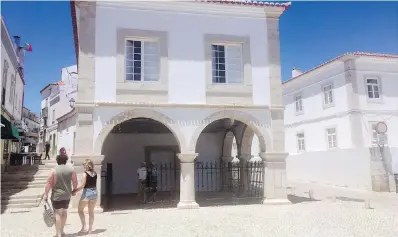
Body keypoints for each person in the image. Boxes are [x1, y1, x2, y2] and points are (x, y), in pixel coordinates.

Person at [43, 147, 77, 237]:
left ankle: (58, 234)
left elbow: (49, 183)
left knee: (58, 213)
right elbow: (75, 182)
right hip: (67, 195)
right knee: (64, 212)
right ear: (66, 160)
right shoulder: (71, 170)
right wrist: (74, 190)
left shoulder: (53, 170)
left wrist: (45, 194)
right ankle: (62, 231)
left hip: (57, 195)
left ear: (57, 160)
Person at [72, 159, 98, 235]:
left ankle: (84, 227)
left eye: (84, 165)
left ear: (86, 165)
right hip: (94, 192)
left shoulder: (85, 173)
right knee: (91, 212)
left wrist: (75, 190)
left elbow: (83, 185)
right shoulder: (95, 173)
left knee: (80, 210)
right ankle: (90, 230)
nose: (83, 167)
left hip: (87, 192)